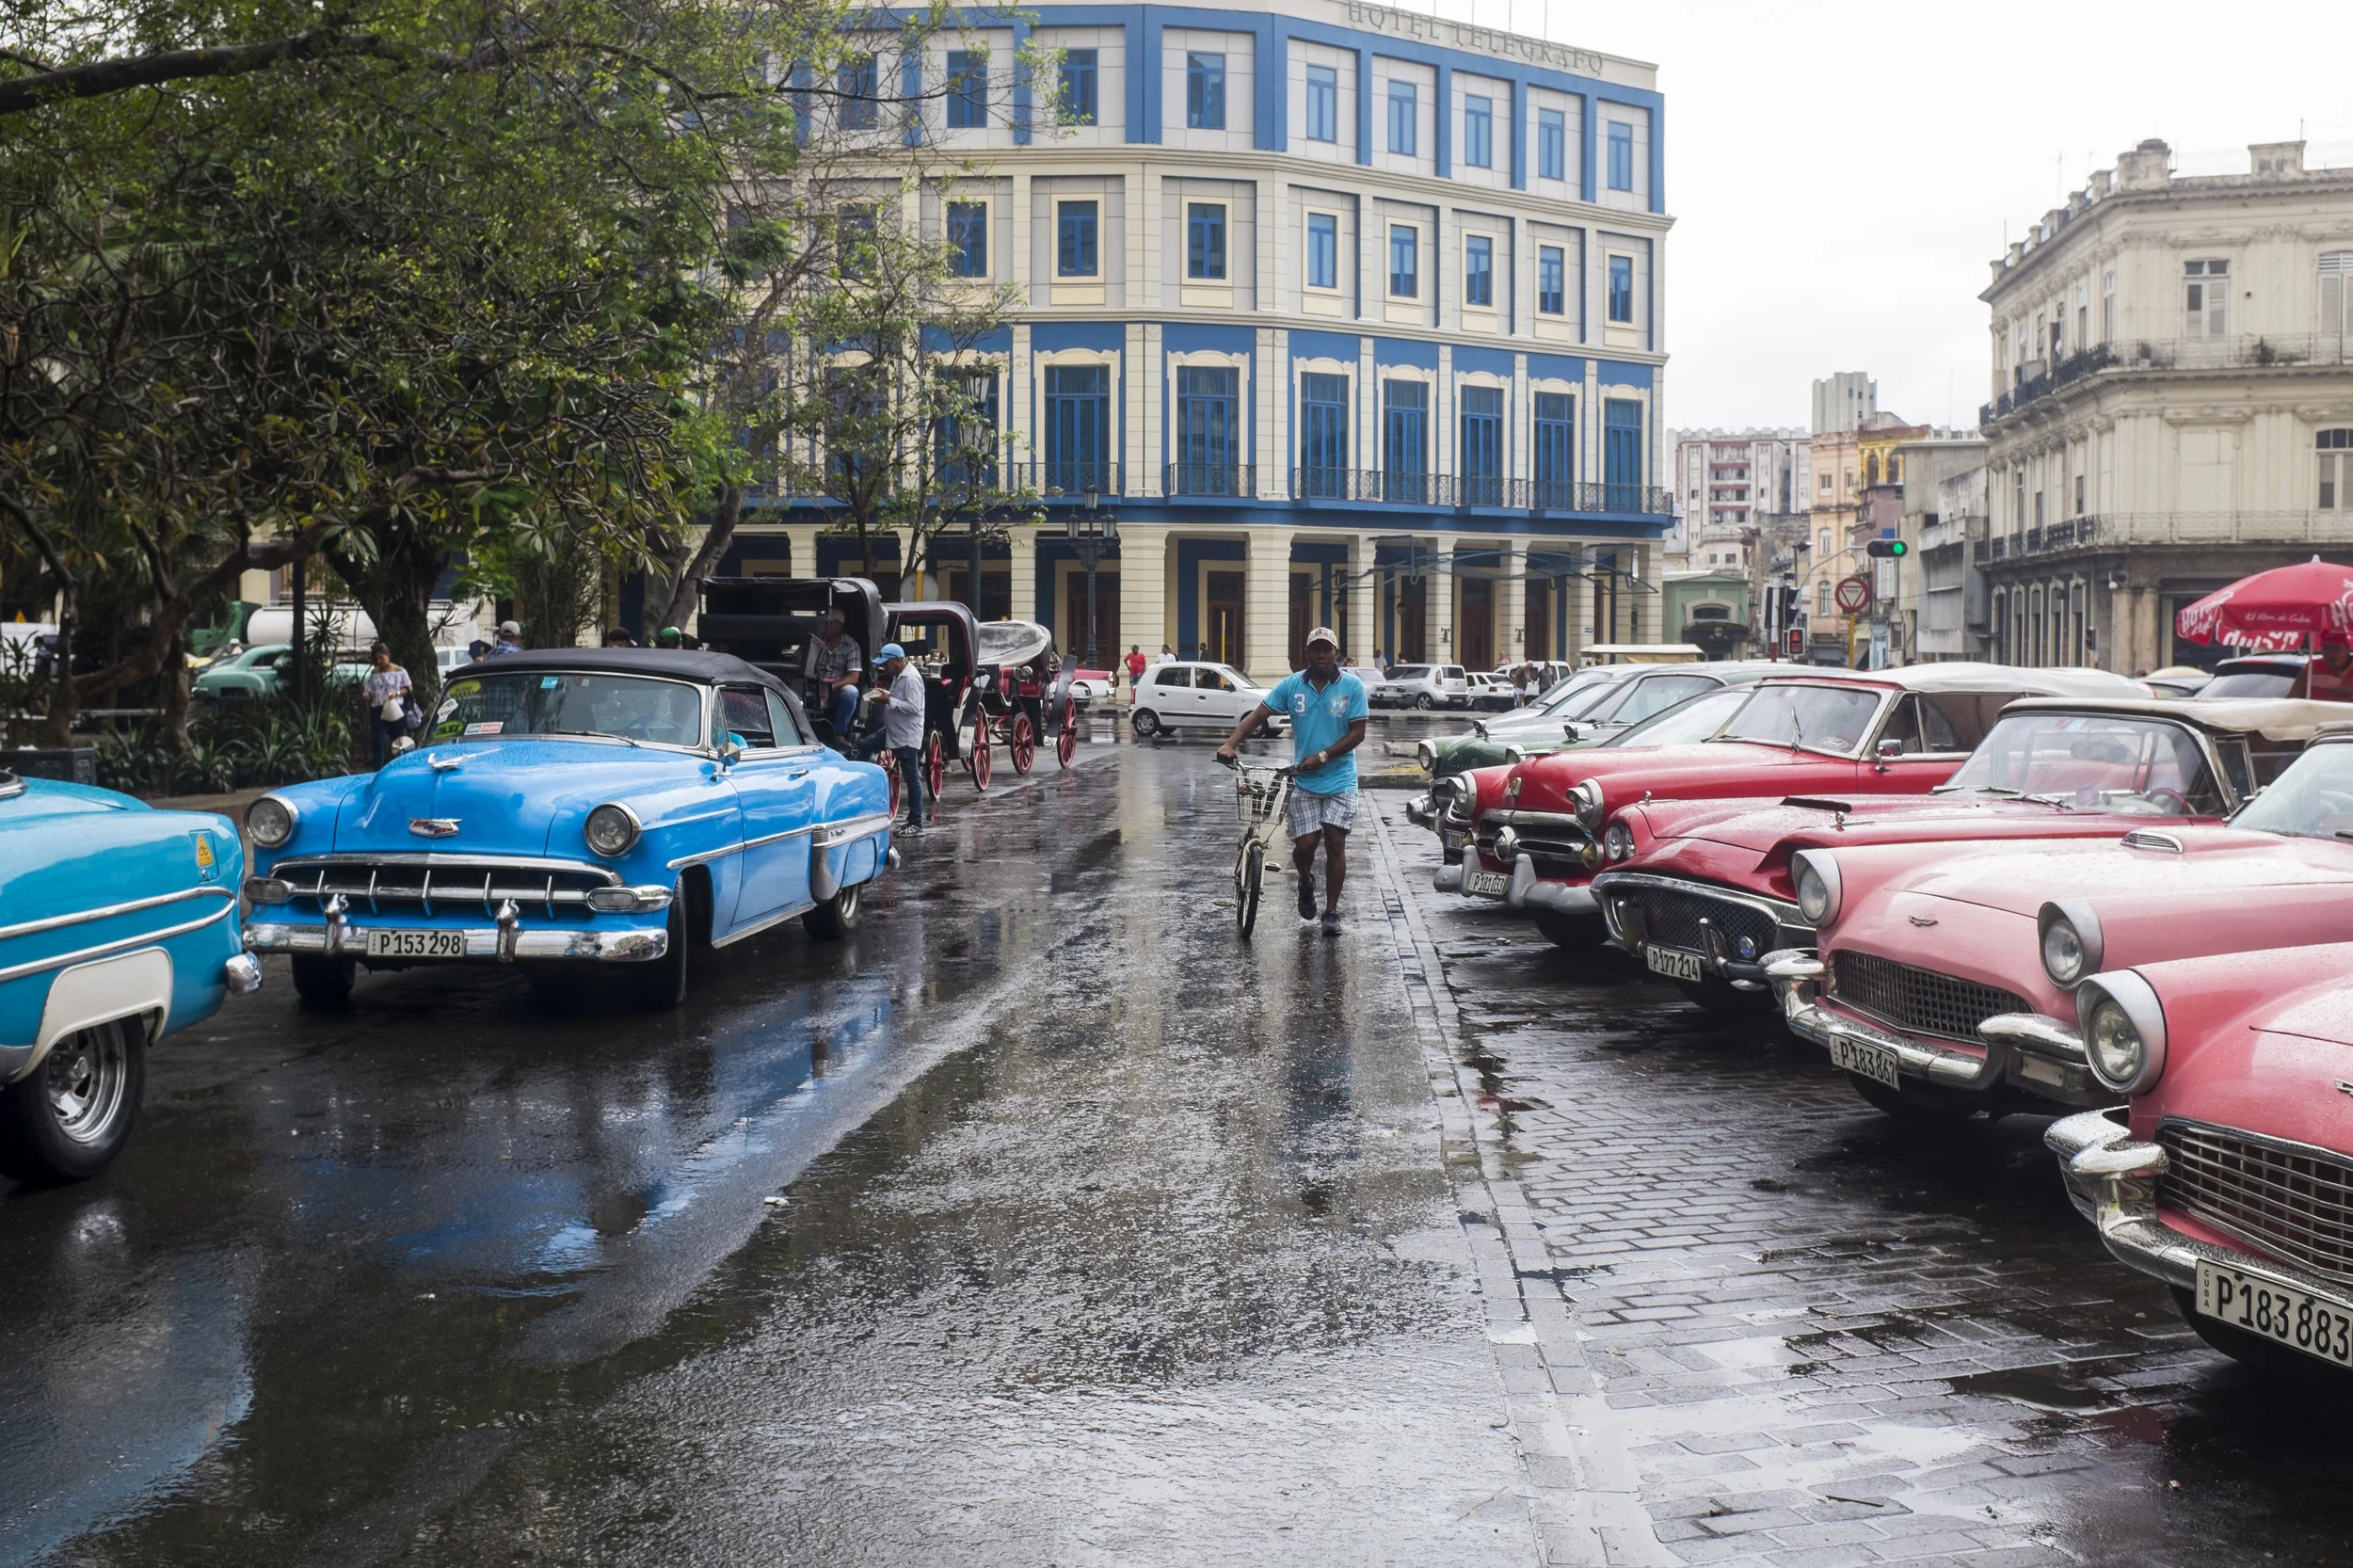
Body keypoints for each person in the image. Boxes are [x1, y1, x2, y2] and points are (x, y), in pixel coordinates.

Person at [1216, 627, 1369, 937]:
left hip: (1340, 780)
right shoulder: (1292, 686)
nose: (1322, 654)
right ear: (1307, 654)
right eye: (1316, 649)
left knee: (1335, 842)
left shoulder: (1352, 687)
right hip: (1305, 781)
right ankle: (1305, 880)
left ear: (1336, 653)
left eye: (1327, 649)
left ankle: (1331, 912)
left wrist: (1323, 756)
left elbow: (1358, 734)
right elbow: (1257, 715)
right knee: (1305, 847)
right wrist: (1230, 744)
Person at [857, 642, 929, 831]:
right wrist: (886, 695)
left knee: (911, 777)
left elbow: (914, 707)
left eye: (886, 664)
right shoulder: (899, 675)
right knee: (864, 745)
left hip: (906, 734)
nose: (884, 668)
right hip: (893, 729)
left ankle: (916, 823)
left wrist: (888, 699)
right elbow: (901, 699)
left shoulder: (911, 678)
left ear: (898, 660)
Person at [812, 609, 865, 739]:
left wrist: (831, 687)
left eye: (829, 623)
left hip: (836, 690)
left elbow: (853, 677)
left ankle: (839, 732)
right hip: (813, 687)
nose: (825, 626)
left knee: (850, 692)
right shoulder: (815, 641)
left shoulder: (851, 645)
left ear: (839, 626)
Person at [361, 642, 412, 768]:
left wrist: (397, 693)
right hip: (378, 708)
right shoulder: (374, 673)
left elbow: (409, 688)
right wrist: (367, 694)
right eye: (376, 658)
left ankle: (401, 766)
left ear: (387, 655)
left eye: (381, 658)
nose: (379, 661)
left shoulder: (399, 671)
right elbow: (369, 688)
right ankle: (378, 768)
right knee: (378, 741)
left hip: (395, 709)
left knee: (398, 740)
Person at [2298, 633, 2353, 699]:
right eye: (2326, 648)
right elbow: (2293, 697)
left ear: (2347, 648)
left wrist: (2344, 686)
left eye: (2337, 648)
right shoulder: (2312, 667)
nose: (2331, 653)